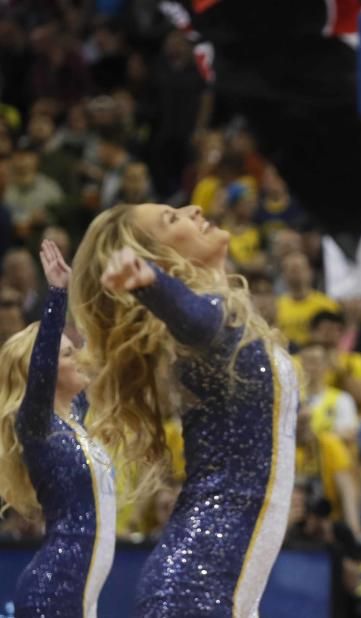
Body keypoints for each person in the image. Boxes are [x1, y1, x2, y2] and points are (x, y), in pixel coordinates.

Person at [69, 203, 297, 616]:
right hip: (198, 586)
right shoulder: (207, 324)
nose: (194, 208)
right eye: (173, 219)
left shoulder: (223, 316)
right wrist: (152, 285)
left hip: (215, 583)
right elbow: (196, 320)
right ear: (159, 260)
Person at [0, 240, 115, 616]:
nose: (78, 356)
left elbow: (94, 340)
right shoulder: (36, 425)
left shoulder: (75, 417)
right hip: (56, 589)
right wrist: (56, 295)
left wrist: (91, 288)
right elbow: (43, 362)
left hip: (83, 591)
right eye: (68, 354)